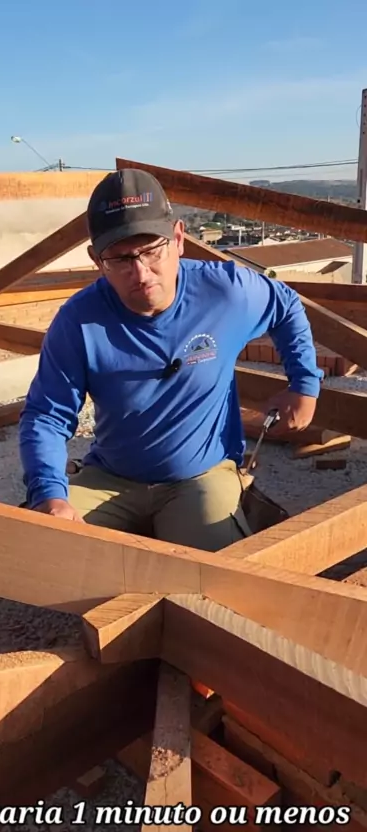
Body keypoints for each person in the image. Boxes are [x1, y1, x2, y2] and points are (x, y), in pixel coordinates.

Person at [18, 168, 323, 551]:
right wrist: (49, 495)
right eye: (120, 258)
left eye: (151, 250)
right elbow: (46, 415)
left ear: (178, 239)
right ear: (97, 260)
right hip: (112, 478)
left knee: (211, 571)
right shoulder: (79, 321)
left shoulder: (225, 292)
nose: (140, 272)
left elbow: (286, 304)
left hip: (201, 476)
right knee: (41, 546)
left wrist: (304, 385)